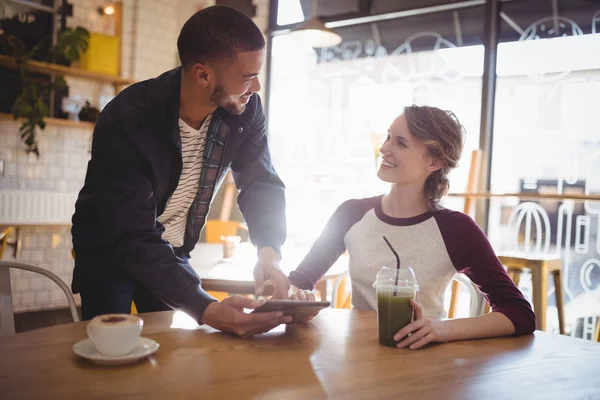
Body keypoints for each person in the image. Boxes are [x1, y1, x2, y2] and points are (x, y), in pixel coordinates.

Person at [71, 6, 291, 337]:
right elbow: (131, 234)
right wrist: (207, 309)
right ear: (203, 75)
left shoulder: (245, 111)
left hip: (172, 251)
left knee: (168, 352)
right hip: (112, 251)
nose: (257, 86)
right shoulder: (128, 117)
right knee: (108, 354)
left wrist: (269, 253)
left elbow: (261, 181)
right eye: (247, 77)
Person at [285, 105, 536, 348]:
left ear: (434, 162)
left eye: (400, 143)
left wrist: (443, 328)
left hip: (426, 366)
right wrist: (297, 297)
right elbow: (298, 281)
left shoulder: (456, 229)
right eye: (388, 137)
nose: (384, 149)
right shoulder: (351, 213)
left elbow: (519, 313)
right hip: (358, 357)